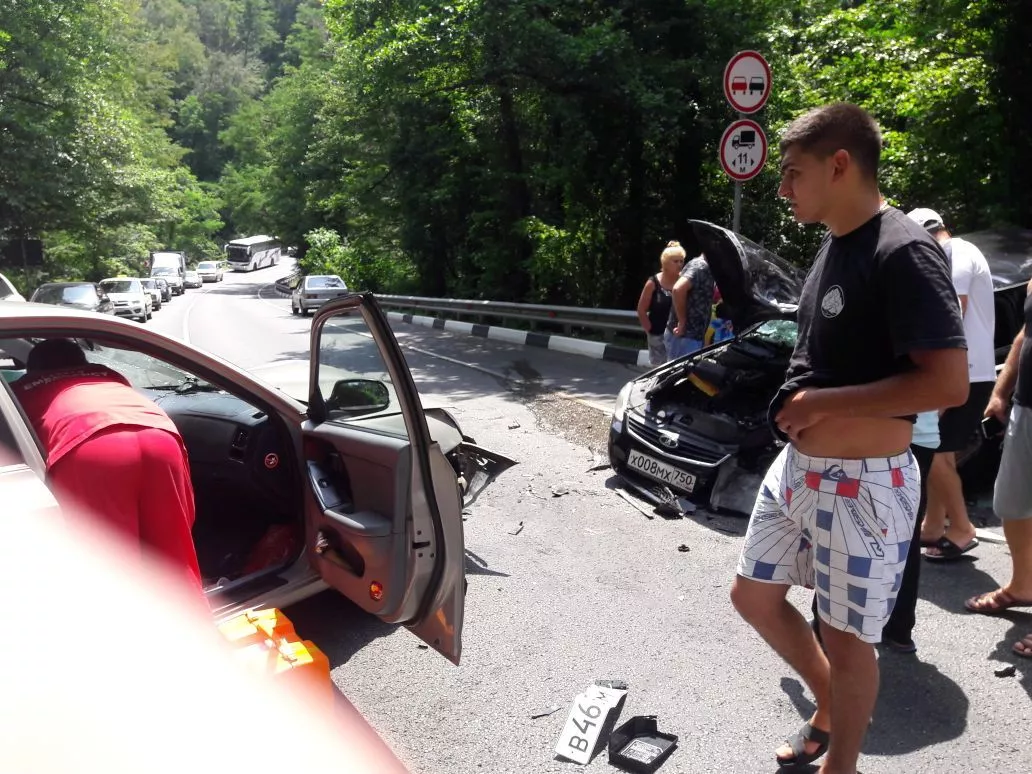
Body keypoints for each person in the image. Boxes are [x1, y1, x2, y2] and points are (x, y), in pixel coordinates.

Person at [729, 103, 968, 774]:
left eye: (793, 173)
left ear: (839, 164)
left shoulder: (903, 249)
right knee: (753, 596)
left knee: (845, 636)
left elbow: (948, 382)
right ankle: (830, 702)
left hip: (865, 484)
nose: (783, 188)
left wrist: (819, 403)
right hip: (798, 468)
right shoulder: (835, 243)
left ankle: (842, 764)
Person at [11, 338, 203, 594]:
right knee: (175, 561)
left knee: (111, 570)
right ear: (83, 362)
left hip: (90, 448)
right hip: (159, 435)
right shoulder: (107, 374)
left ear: (32, 370)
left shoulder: (20, 390)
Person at [906, 208, 996, 561]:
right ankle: (933, 524)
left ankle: (961, 528)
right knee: (937, 451)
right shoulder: (958, 252)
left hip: (964, 372)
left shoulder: (956, 251)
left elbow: (952, 311)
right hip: (966, 370)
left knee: (936, 452)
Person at [965, 276, 1032, 658]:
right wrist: (1001, 391)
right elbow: (1026, 331)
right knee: (1011, 504)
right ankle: (1023, 585)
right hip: (1027, 405)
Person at [636, 241, 684, 366]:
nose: (679, 264)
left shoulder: (684, 282)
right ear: (666, 263)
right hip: (657, 336)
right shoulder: (653, 283)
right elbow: (641, 309)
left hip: (677, 337)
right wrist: (650, 330)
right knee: (658, 370)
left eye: (681, 261)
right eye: (676, 261)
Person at [665, 250, 716, 360]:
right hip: (685, 337)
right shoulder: (701, 267)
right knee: (679, 370)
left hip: (690, 337)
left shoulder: (701, 266)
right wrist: (682, 323)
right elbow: (678, 289)